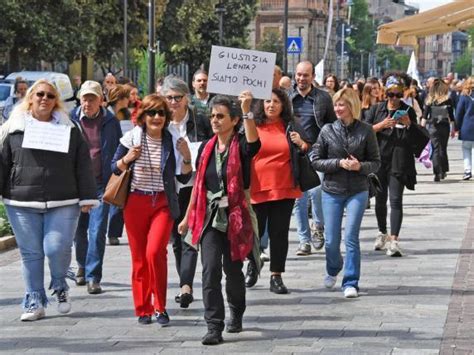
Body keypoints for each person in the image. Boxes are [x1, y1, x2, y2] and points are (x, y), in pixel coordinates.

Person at [0, 79, 98, 321]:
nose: (44, 99)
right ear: (30, 98)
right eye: (40, 94)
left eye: (50, 96)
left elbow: (82, 164)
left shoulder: (70, 128)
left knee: (56, 248)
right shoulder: (13, 127)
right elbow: (3, 162)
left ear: (57, 101)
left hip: (63, 199)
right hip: (21, 201)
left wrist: (87, 196)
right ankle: (34, 300)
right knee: (30, 253)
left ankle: (60, 286)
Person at [178, 92, 260, 345]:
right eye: (213, 116)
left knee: (233, 271)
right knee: (210, 269)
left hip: (236, 216)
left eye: (221, 116)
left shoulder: (242, 145)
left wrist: (247, 109)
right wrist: (186, 216)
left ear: (234, 120)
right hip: (210, 216)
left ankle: (236, 311)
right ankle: (214, 325)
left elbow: (255, 144)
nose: (215, 120)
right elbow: (198, 185)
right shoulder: (205, 147)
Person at [111, 94, 192, 326]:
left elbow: (184, 175)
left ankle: (160, 306)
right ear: (143, 116)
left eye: (161, 113)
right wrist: (127, 159)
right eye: (151, 113)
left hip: (163, 204)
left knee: (155, 252)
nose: (156, 117)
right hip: (136, 202)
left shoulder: (173, 139)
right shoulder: (132, 138)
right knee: (139, 258)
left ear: (166, 118)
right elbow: (114, 168)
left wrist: (186, 156)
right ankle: (143, 308)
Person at [313, 88, 380, 298]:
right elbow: (315, 159)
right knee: (332, 240)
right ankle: (333, 267)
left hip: (357, 191)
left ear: (352, 106)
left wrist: (359, 166)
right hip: (332, 190)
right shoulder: (327, 130)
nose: (337, 108)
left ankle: (351, 281)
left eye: (342, 104)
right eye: (336, 105)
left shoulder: (366, 130)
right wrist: (338, 163)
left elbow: (376, 163)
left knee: (351, 236)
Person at [245, 88, 309, 293]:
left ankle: (276, 276)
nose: (271, 105)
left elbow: (308, 147)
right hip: (257, 188)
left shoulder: (290, 126)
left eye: (276, 102)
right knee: (253, 233)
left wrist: (303, 144)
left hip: (285, 187)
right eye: (267, 102)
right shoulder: (253, 125)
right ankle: (253, 265)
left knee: (279, 233)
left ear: (283, 105)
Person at [161, 76, 212, 308]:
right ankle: (186, 283)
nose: (173, 102)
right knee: (176, 239)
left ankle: (186, 286)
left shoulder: (199, 121)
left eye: (177, 98)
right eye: (168, 98)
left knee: (189, 235)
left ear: (186, 99)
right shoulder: (159, 122)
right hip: (170, 186)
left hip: (194, 185)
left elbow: (211, 148)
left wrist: (191, 158)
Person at [364, 72, 424, 257]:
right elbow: (363, 133)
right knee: (380, 200)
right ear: (385, 93)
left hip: (399, 160)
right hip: (379, 160)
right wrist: (381, 125)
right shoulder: (376, 110)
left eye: (399, 95)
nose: (395, 99)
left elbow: (418, 138)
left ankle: (394, 240)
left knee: (396, 200)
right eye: (391, 94)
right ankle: (382, 232)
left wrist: (409, 125)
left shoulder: (408, 110)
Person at [71, 80, 122, 294]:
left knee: (98, 230)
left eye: (92, 98)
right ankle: (81, 266)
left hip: (101, 185)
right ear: (80, 99)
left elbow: (120, 149)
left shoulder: (111, 121)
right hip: (75, 184)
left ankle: (93, 276)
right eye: (85, 98)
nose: (88, 102)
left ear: (101, 100)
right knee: (78, 230)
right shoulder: (70, 120)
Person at [289, 60, 337, 256]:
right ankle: (304, 240)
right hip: (294, 152)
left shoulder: (323, 98)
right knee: (299, 198)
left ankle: (318, 225)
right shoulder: (287, 98)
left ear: (313, 77)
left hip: (317, 151)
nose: (301, 78)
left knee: (316, 191)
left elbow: (332, 124)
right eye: (299, 75)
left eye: (305, 75)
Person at [421, 78, 455, 182]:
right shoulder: (447, 99)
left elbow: (424, 116)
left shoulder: (429, 100)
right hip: (444, 126)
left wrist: (422, 129)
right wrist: (453, 129)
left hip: (433, 126)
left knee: (435, 148)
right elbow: (451, 116)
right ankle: (443, 170)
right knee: (443, 148)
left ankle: (436, 172)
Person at [455, 76, 474, 181]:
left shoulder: (464, 96)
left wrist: (456, 127)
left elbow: (459, 113)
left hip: (467, 126)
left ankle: (467, 170)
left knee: (466, 149)